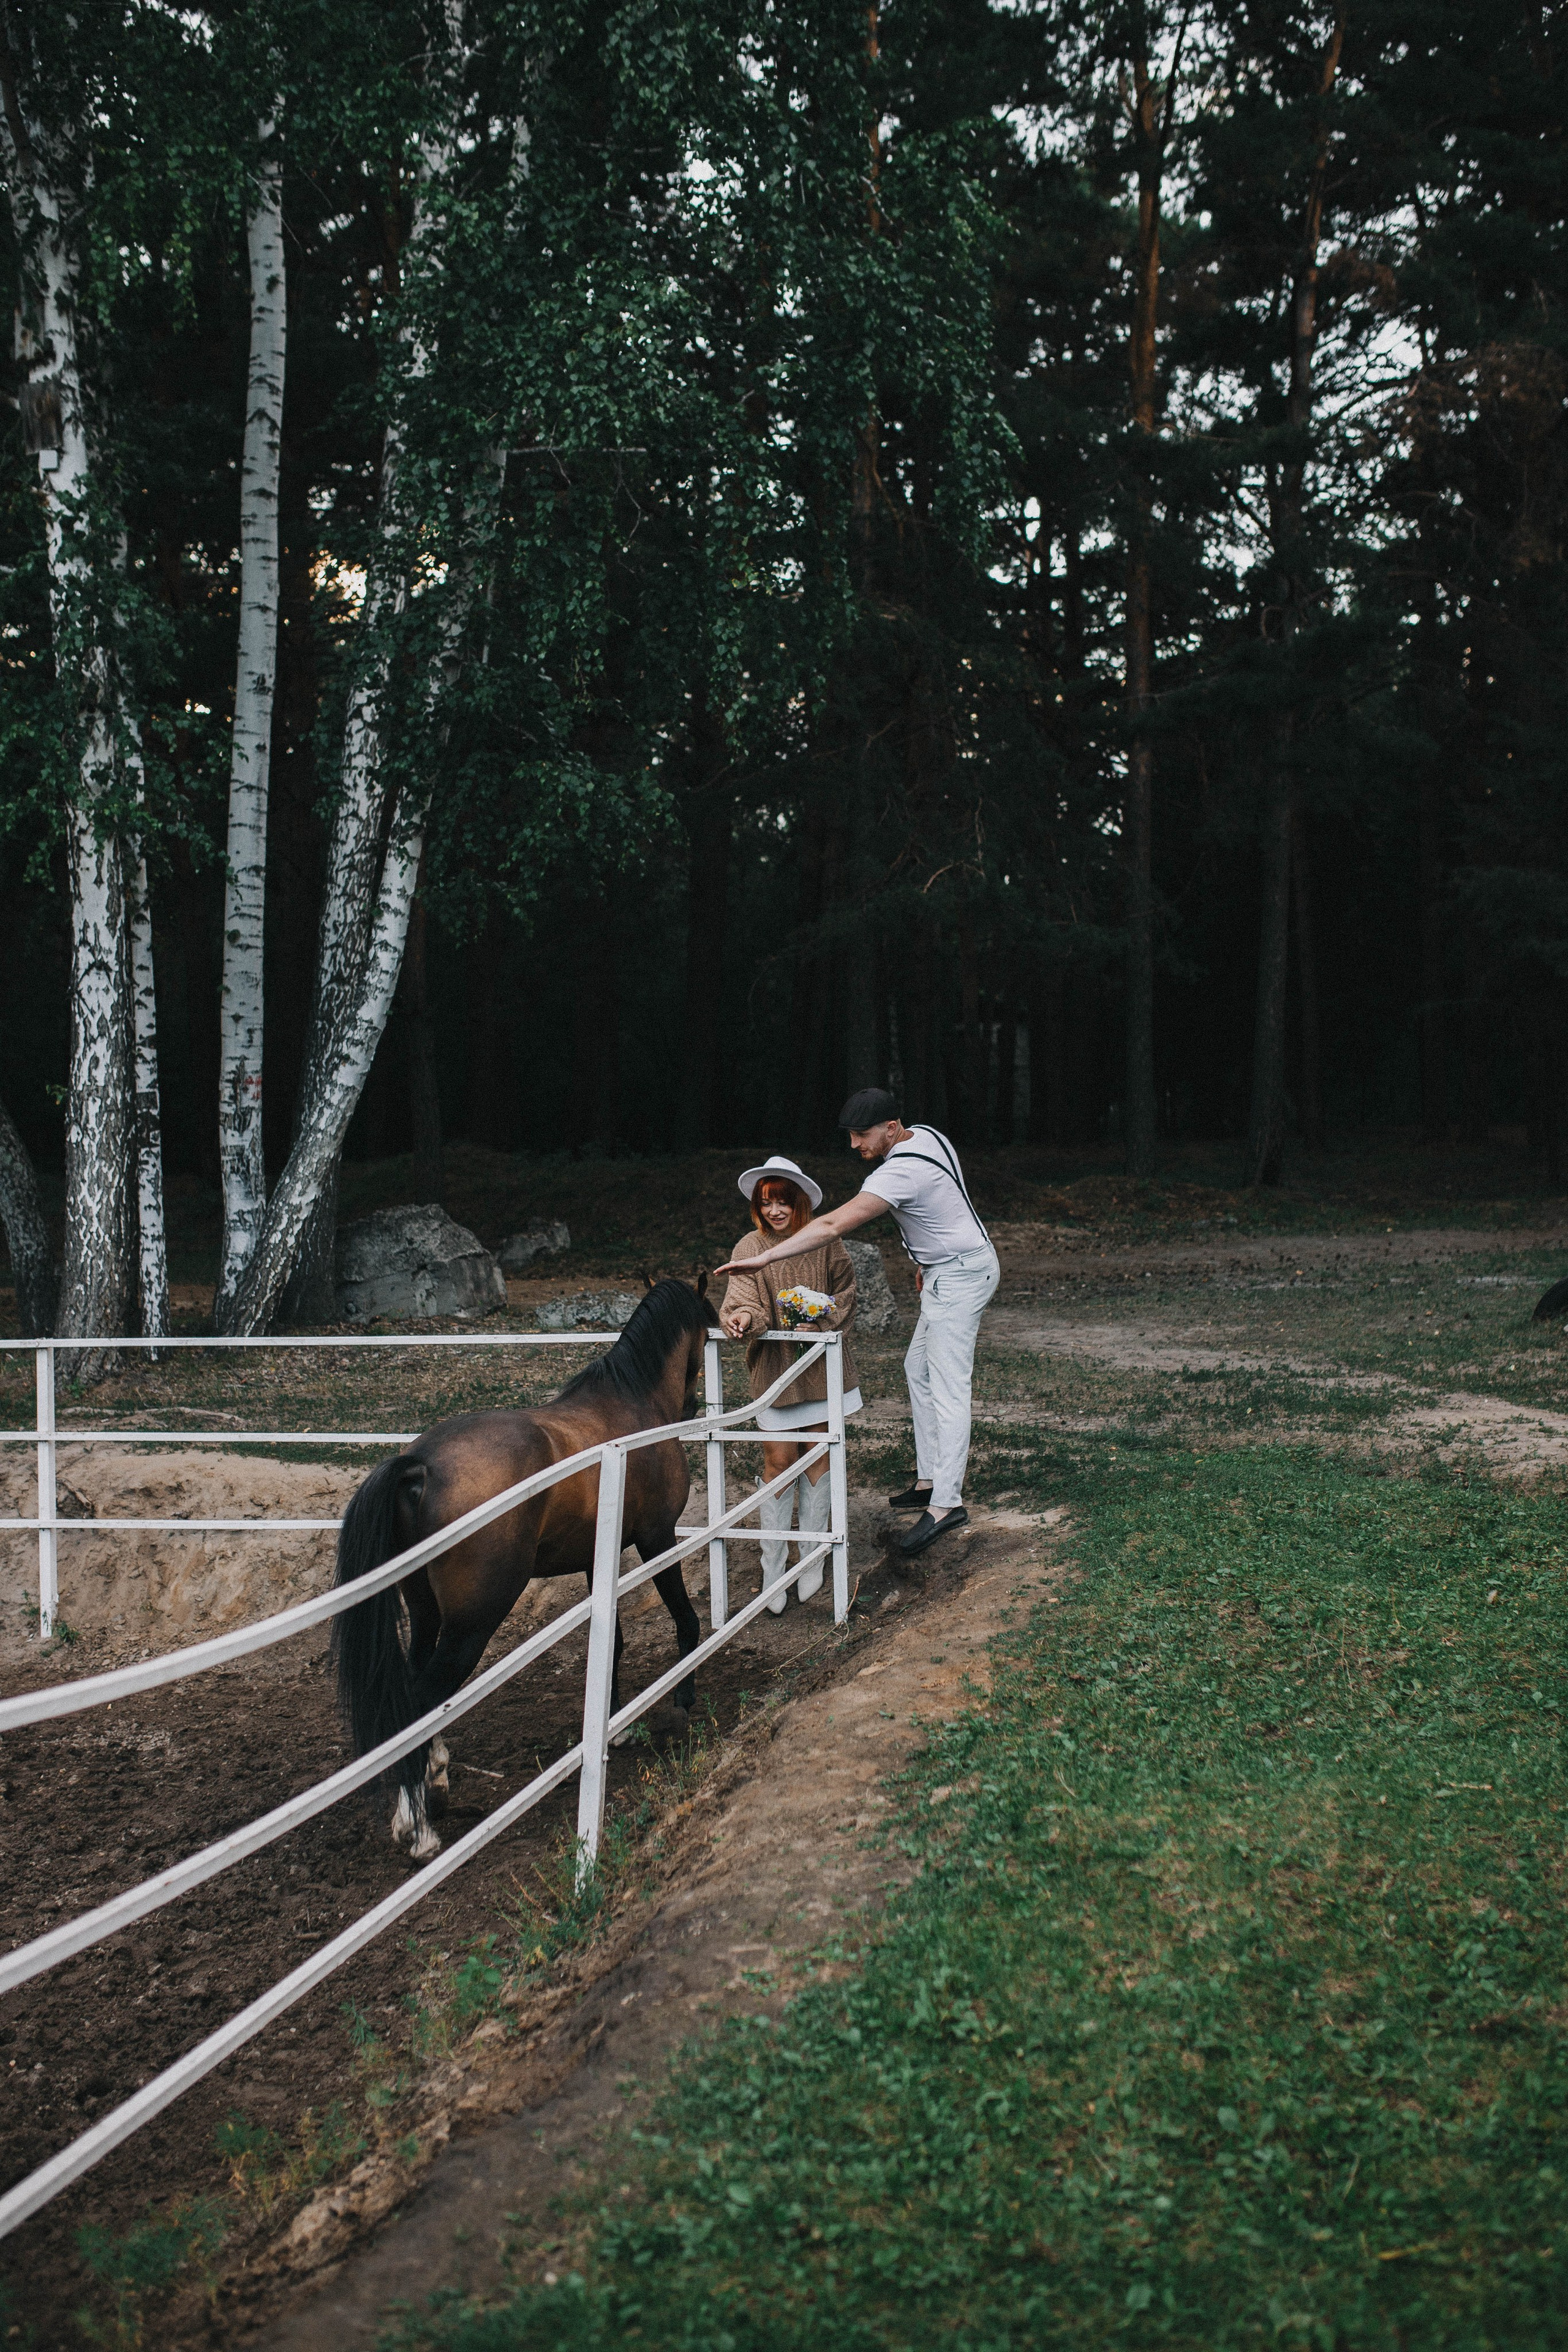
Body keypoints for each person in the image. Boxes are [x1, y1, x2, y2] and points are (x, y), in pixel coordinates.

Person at [712, 1093, 997, 1557]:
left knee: (948, 1385)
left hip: (962, 1275)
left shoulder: (899, 1169)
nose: (853, 1144)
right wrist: (931, 1256)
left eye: (861, 1135)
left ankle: (947, 1505)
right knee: (917, 1369)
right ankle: (929, 1481)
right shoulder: (929, 1136)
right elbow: (951, 1197)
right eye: (850, 1134)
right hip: (954, 1265)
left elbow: (830, 1227)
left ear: (891, 1126)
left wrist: (764, 1256)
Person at [717, 1154, 862, 1611]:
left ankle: (813, 1559)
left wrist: (823, 1323)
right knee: (779, 1460)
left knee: (818, 1454)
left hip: (820, 1368)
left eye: (782, 1202)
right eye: (766, 1203)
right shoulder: (748, 1247)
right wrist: (744, 1318)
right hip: (775, 1369)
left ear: (799, 1203)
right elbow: (744, 1299)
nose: (774, 1212)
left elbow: (846, 1294)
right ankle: (773, 1569)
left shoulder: (826, 1243)